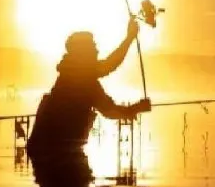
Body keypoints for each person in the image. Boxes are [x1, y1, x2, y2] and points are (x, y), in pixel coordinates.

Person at [27, 16, 151, 155]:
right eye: (93, 47)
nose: (97, 51)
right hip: (59, 151)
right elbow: (110, 111)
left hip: (44, 149)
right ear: (83, 53)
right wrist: (136, 108)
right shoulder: (84, 81)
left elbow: (108, 65)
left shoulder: (71, 73)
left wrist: (129, 38)